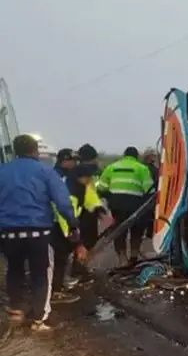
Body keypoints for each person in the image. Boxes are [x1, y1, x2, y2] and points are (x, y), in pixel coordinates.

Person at [0, 134, 78, 332]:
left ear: (15, 151)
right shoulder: (45, 172)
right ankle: (38, 320)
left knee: (14, 269)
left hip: (8, 233)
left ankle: (16, 309)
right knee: (41, 275)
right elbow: (62, 202)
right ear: (35, 150)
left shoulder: (2, 171)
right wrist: (72, 224)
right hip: (38, 233)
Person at [51, 163, 113, 302]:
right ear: (80, 178)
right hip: (57, 226)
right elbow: (64, 220)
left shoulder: (80, 187)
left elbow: (91, 200)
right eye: (88, 178)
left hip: (68, 224)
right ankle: (55, 291)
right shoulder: (67, 191)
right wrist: (78, 243)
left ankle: (59, 284)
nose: (91, 181)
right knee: (59, 258)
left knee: (64, 257)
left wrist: (101, 212)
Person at [97, 146, 154, 266]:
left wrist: (110, 196)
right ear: (137, 157)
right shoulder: (142, 168)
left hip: (116, 205)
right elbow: (149, 189)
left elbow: (101, 187)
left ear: (124, 155)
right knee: (136, 230)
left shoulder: (111, 167)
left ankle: (122, 259)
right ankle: (133, 256)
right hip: (135, 205)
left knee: (119, 232)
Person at [71, 143, 102, 279]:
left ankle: (80, 266)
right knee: (84, 240)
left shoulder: (87, 171)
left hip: (89, 209)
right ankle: (78, 268)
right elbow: (87, 192)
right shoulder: (82, 172)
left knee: (88, 240)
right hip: (84, 211)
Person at [142, 150, 159, 239]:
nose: (154, 158)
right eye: (152, 156)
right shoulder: (152, 169)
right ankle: (148, 233)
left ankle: (147, 233)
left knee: (148, 215)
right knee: (149, 215)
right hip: (149, 194)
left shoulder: (147, 168)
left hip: (147, 195)